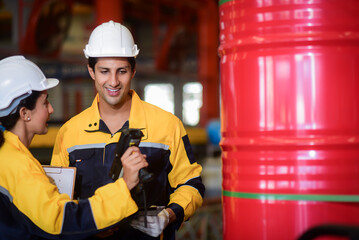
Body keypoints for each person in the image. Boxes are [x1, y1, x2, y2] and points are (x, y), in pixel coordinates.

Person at [50, 20, 205, 240]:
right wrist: (87, 225)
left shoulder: (167, 125)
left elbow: (191, 185)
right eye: (104, 71)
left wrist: (168, 216)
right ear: (91, 71)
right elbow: (59, 199)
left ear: (133, 70)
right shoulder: (69, 132)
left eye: (121, 71)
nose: (113, 81)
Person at [0, 55, 149, 240]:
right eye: (45, 102)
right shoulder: (17, 164)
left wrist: (90, 229)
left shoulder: (7, 154)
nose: (51, 109)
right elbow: (60, 220)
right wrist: (125, 186)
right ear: (24, 113)